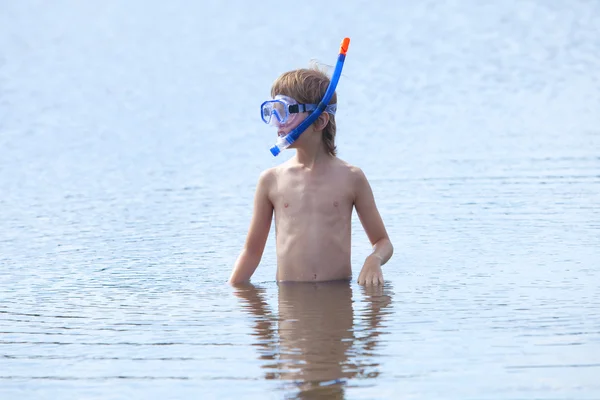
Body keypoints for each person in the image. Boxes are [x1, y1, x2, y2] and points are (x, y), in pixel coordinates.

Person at [228, 67, 393, 285]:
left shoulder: (352, 178)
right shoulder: (271, 181)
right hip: (290, 302)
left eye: (285, 111)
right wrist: (232, 294)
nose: (277, 122)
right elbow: (251, 252)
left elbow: (383, 242)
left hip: (338, 296)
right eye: (273, 111)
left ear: (320, 121)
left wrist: (374, 259)